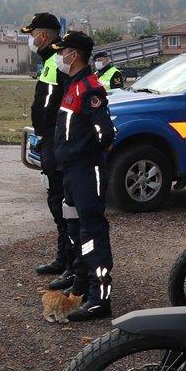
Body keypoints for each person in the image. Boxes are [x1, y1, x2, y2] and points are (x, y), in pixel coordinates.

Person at [52, 31, 117, 322]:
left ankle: (99, 297)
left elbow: (105, 133)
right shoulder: (72, 85)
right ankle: (80, 285)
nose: (59, 56)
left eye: (62, 51)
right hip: (70, 171)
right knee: (76, 230)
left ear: (74, 54)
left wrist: (85, 153)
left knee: (92, 234)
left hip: (86, 171)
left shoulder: (90, 88)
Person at [19, 13, 80, 284]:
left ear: (43, 35)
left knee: (64, 202)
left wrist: (56, 137)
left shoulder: (58, 62)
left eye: (32, 34)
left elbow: (64, 104)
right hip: (47, 138)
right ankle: (63, 256)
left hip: (57, 140)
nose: (31, 40)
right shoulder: (48, 61)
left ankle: (73, 263)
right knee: (54, 199)